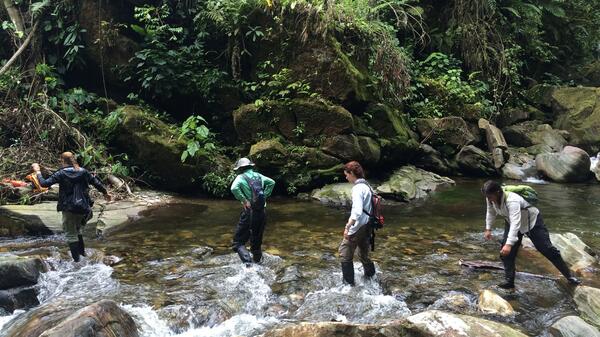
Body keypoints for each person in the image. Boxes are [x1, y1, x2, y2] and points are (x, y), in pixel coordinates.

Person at [482, 180, 581, 289]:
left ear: (497, 192)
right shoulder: (489, 198)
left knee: (547, 249)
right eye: (487, 197)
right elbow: (490, 212)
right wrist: (488, 228)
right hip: (512, 222)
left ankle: (569, 277)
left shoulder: (512, 200)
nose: (489, 199)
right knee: (506, 254)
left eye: (490, 196)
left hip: (532, 222)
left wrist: (509, 244)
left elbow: (516, 223)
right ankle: (509, 282)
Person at [32, 152, 111, 262]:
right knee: (78, 230)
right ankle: (82, 254)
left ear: (63, 161)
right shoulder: (83, 171)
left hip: (69, 208)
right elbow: (96, 182)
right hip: (84, 207)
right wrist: (105, 193)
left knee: (70, 234)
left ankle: (77, 262)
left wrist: (37, 171)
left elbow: (44, 184)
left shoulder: (61, 173)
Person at [230, 158, 275, 264]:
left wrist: (244, 200)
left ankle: (249, 265)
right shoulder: (259, 176)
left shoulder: (240, 177)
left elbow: (234, 188)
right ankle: (258, 264)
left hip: (250, 212)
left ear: (240, 168)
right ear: (250, 166)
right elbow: (272, 182)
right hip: (262, 212)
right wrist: (265, 195)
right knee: (256, 242)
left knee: (238, 242)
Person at [339, 161, 376, 286]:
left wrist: (348, 227)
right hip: (368, 225)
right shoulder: (366, 186)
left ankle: (349, 286)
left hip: (358, 226)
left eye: (346, 174)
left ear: (352, 173)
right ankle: (371, 278)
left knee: (344, 253)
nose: (346, 177)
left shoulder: (357, 189)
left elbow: (357, 211)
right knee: (363, 254)